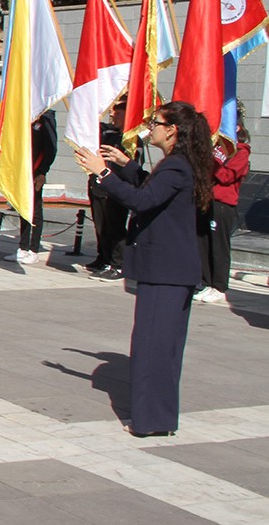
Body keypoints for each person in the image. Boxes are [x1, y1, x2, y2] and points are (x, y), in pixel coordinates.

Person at [75, 100, 214, 437]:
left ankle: (151, 421)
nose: (150, 127)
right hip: (173, 271)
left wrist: (103, 173)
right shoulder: (178, 165)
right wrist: (125, 166)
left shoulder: (175, 166)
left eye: (156, 122)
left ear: (172, 130)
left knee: (152, 347)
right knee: (163, 347)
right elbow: (154, 191)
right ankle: (160, 418)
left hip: (165, 271)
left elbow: (141, 201)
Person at [198, 124, 250, 303]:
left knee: (219, 246)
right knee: (204, 243)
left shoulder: (241, 152)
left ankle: (219, 286)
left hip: (223, 204)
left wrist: (211, 164)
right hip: (207, 200)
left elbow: (227, 176)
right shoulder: (216, 148)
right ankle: (206, 282)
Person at [86, 97, 130, 282]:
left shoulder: (130, 139)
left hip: (116, 188)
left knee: (116, 228)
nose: (112, 115)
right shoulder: (110, 133)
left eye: (117, 112)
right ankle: (103, 257)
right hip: (99, 186)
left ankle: (118, 264)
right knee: (101, 226)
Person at [8, 110, 58, 265]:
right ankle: (23, 248)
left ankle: (34, 250)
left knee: (35, 210)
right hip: (24, 170)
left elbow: (51, 148)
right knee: (23, 209)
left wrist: (42, 172)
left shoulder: (46, 120)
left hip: (36, 172)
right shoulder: (26, 118)